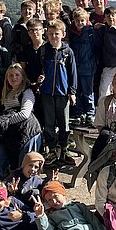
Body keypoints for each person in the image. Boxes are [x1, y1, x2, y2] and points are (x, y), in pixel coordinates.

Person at [0, 64, 42, 181]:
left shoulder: (27, 92)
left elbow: (25, 114)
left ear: (22, 76)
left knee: (26, 167)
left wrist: (6, 121)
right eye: (10, 75)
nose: (14, 78)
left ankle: (25, 190)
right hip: (12, 135)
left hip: (29, 133)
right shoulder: (7, 94)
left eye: (17, 75)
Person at [40, 19, 77, 165]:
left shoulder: (68, 52)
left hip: (63, 93)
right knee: (49, 123)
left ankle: (64, 148)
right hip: (47, 92)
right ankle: (51, 149)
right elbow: (39, 69)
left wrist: (72, 91)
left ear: (63, 34)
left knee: (64, 123)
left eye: (56, 33)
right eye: (50, 34)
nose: (53, 37)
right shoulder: (44, 50)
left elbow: (73, 73)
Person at [68, 7, 97, 125]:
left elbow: (96, 47)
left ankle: (90, 113)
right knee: (77, 91)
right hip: (75, 67)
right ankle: (79, 113)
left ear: (86, 21)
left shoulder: (90, 32)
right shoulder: (72, 33)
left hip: (88, 67)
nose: (80, 23)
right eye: (77, 21)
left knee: (88, 91)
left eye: (82, 21)